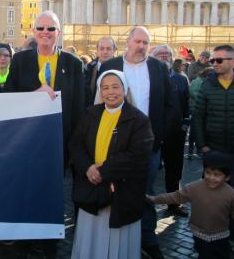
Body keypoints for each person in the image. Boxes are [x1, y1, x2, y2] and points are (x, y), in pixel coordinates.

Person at [3, 11, 84, 258]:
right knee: (25, 189)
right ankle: (25, 236)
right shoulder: (20, 60)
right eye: (41, 28)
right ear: (34, 32)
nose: (46, 33)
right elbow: (9, 97)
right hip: (26, 141)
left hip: (58, 142)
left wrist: (74, 146)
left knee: (51, 191)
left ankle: (47, 237)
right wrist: (34, 94)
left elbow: (79, 107)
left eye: (51, 29)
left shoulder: (73, 64)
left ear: (58, 33)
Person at [99, 26, 173, 259]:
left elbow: (170, 105)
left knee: (146, 192)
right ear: (128, 42)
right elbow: (96, 105)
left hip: (148, 145)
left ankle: (148, 239)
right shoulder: (109, 66)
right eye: (138, 41)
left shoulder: (159, 68)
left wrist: (159, 136)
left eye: (145, 42)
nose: (141, 46)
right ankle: (113, 239)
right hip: (114, 143)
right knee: (112, 189)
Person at [70, 70, 153, 259]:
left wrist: (103, 172)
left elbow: (137, 155)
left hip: (122, 191)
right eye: (105, 88)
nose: (110, 92)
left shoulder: (139, 119)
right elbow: (76, 144)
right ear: (100, 91)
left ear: (124, 89)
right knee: (91, 238)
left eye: (115, 86)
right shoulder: (90, 114)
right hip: (92, 186)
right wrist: (88, 168)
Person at [148, 152, 234, 259]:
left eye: (217, 175)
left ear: (227, 177)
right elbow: (175, 197)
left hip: (221, 235)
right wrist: (154, 199)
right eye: (208, 173)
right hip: (199, 235)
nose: (211, 177)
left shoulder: (230, 193)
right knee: (205, 254)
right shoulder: (195, 188)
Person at [192, 44, 234, 238]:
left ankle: (233, 235)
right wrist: (203, 146)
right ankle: (209, 235)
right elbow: (198, 116)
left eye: (219, 60)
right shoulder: (207, 84)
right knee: (211, 196)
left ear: (233, 62)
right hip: (213, 149)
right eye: (212, 60)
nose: (214, 63)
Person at [151, 45, 190, 217]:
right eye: (160, 54)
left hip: (175, 134)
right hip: (151, 133)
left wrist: (184, 126)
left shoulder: (181, 79)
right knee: (148, 171)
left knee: (174, 170)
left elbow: (186, 105)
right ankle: (146, 205)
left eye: (167, 54)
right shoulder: (148, 77)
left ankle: (174, 203)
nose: (164, 57)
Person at [85, 37, 117, 106]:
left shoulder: (121, 68)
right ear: (97, 50)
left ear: (114, 50)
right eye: (102, 48)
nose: (105, 52)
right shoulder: (88, 69)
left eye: (108, 49)